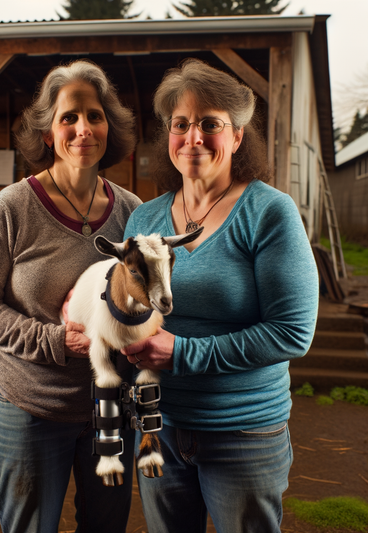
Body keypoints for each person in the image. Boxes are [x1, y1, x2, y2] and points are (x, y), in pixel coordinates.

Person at [120, 58, 319, 533]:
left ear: (237, 136)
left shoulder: (268, 212)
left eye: (210, 124)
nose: (193, 137)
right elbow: (125, 308)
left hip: (242, 431)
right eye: (180, 124)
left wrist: (183, 353)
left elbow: (293, 332)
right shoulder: (142, 221)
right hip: (158, 426)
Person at [0, 59, 141, 533]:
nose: (84, 129)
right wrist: (55, 341)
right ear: (48, 133)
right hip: (32, 409)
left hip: (111, 410)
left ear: (109, 126)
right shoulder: (14, 208)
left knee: (106, 526)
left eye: (95, 116)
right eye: (69, 117)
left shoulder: (132, 213)